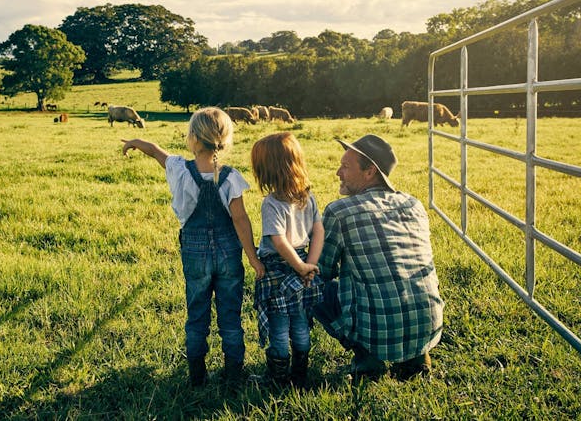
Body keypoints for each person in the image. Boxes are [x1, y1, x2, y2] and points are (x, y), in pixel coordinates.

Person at [121, 106, 265, 387]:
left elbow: (155, 151)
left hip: (195, 252)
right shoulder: (231, 176)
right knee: (231, 316)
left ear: (193, 139)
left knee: (197, 312)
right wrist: (253, 258)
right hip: (228, 252)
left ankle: (197, 376)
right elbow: (240, 219)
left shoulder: (179, 168)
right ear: (224, 139)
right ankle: (234, 374)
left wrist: (135, 143)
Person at [313, 134, 444, 380]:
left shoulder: (340, 211)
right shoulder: (413, 204)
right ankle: (416, 357)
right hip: (429, 328)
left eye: (345, 166)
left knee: (310, 285)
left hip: (379, 333)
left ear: (370, 171)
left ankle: (366, 356)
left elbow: (321, 269)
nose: (338, 173)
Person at [250, 132, 323, 388]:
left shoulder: (271, 203)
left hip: (279, 271)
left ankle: (278, 378)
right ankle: (300, 375)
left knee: (279, 327)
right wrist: (308, 265)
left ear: (268, 170)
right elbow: (318, 232)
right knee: (301, 322)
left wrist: (301, 266)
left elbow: (279, 242)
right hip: (303, 265)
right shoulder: (308, 197)